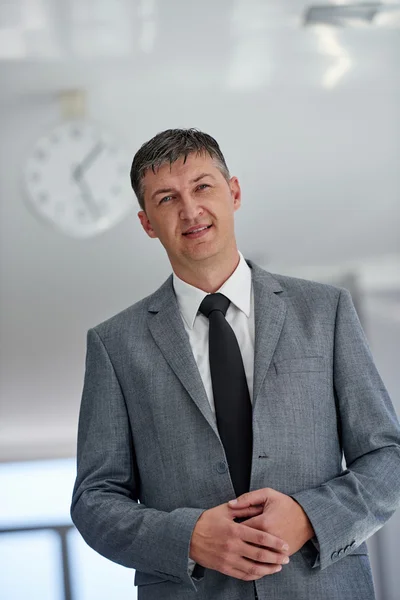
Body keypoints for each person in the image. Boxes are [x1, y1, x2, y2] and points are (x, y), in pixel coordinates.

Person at [71, 128, 400, 600]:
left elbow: (387, 457)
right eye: (167, 198)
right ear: (147, 223)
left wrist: (310, 516)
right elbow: (94, 501)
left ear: (235, 193)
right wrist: (188, 538)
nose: (190, 210)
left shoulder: (325, 312)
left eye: (203, 186)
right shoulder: (114, 345)